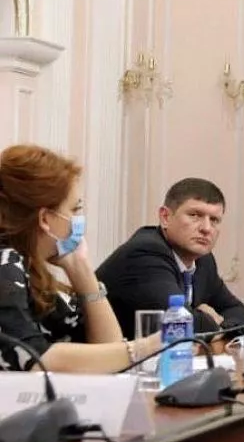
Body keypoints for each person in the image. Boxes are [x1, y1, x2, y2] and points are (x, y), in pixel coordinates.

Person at [0, 144, 161, 372]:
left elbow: (107, 352)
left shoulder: (32, 272)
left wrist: (81, 270)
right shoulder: (5, 263)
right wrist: (147, 347)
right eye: (74, 210)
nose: (78, 219)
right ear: (45, 219)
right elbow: (32, 356)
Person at [96, 178, 244, 341]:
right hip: (101, 355)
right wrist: (211, 322)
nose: (206, 228)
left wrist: (218, 328)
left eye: (214, 220)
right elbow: (179, 324)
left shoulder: (203, 260)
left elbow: (238, 311)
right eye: (195, 215)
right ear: (165, 217)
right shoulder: (145, 253)